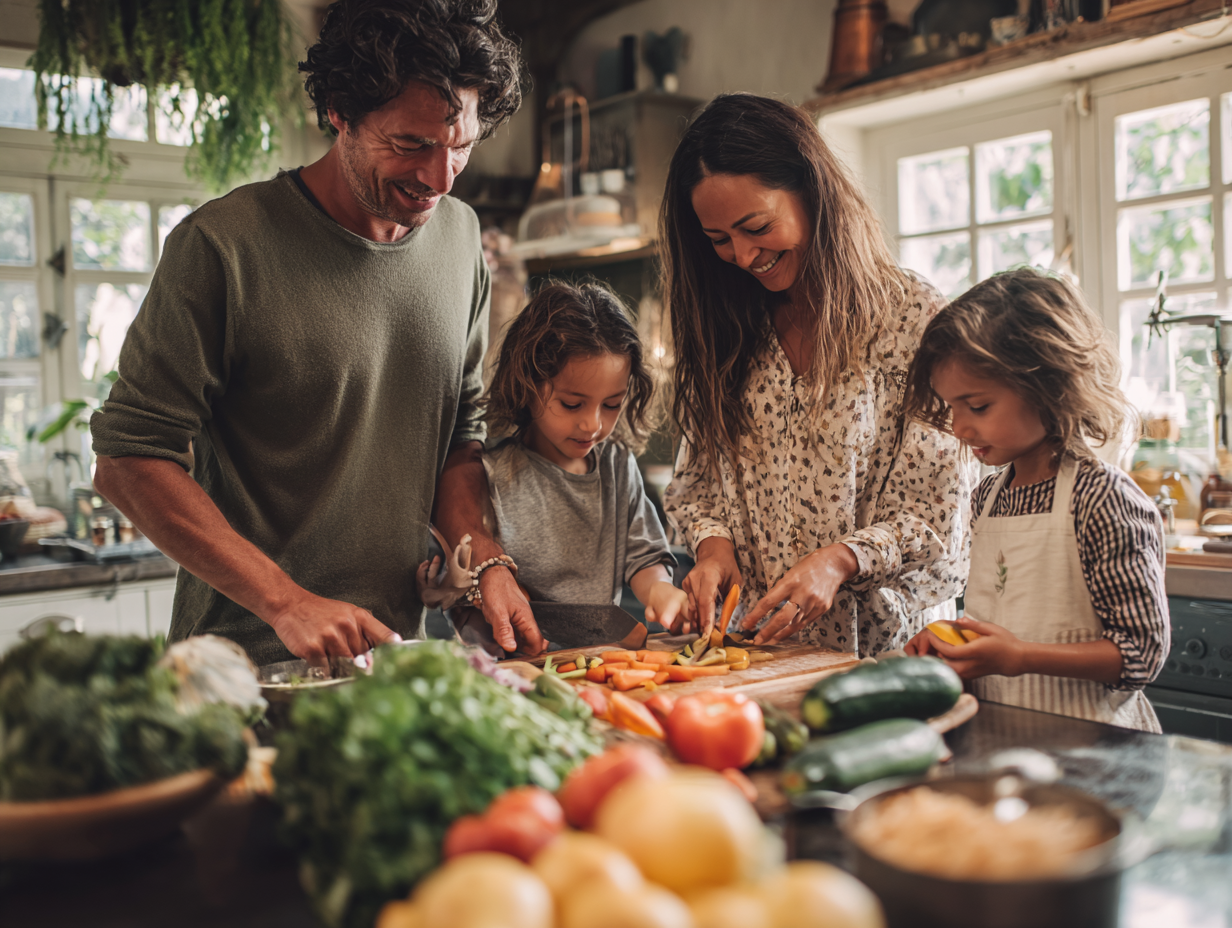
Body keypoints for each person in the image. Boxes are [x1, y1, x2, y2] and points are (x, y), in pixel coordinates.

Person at [88, 0, 546, 666]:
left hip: (393, 659)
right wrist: (284, 600)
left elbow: (459, 436)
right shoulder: (222, 248)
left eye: (461, 147)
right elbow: (127, 458)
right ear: (339, 112)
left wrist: (484, 564)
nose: (439, 179)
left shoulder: (461, 237)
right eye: (410, 144)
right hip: (246, 666)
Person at [661, 93, 973, 654]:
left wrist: (840, 560)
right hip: (755, 652)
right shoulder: (728, 325)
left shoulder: (911, 318)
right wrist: (713, 548)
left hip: (891, 657)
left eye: (756, 226)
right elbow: (698, 486)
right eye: (718, 240)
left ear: (812, 190)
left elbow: (941, 511)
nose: (742, 254)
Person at [902, 268, 1168, 731]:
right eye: (952, 408)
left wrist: (1019, 657)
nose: (959, 429)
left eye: (978, 406)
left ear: (1049, 386)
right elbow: (1004, 616)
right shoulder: (989, 496)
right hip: (1004, 739)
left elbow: (1140, 654)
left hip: (1094, 747)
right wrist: (954, 641)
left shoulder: (1101, 497)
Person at [445, 281, 689, 651]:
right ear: (527, 384)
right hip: (516, 671)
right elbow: (468, 593)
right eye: (572, 404)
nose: (593, 425)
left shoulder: (618, 466)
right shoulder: (491, 475)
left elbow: (644, 556)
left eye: (611, 404)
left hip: (597, 663)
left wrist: (659, 588)